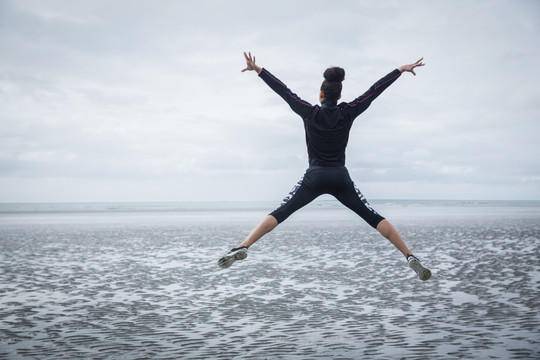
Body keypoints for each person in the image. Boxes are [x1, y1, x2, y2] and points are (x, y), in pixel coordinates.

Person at [218, 52, 431, 281]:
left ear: (321, 94)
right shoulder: (348, 111)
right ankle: (409, 256)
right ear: (340, 95)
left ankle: (244, 246)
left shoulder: (309, 113)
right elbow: (373, 92)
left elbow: (283, 91)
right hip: (340, 177)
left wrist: (258, 70)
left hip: (315, 177)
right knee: (374, 217)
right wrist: (399, 70)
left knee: (280, 212)